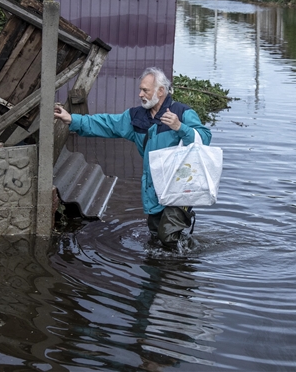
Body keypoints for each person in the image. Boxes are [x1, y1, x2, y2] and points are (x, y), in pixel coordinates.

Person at [53, 67, 212, 249]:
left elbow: (204, 139)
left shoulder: (182, 113)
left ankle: (191, 256)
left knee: (167, 236)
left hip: (179, 187)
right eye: (140, 90)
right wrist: (71, 119)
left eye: (145, 90)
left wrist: (180, 127)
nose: (140, 94)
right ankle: (168, 265)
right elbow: (106, 124)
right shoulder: (136, 117)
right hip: (153, 188)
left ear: (160, 91)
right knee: (155, 236)